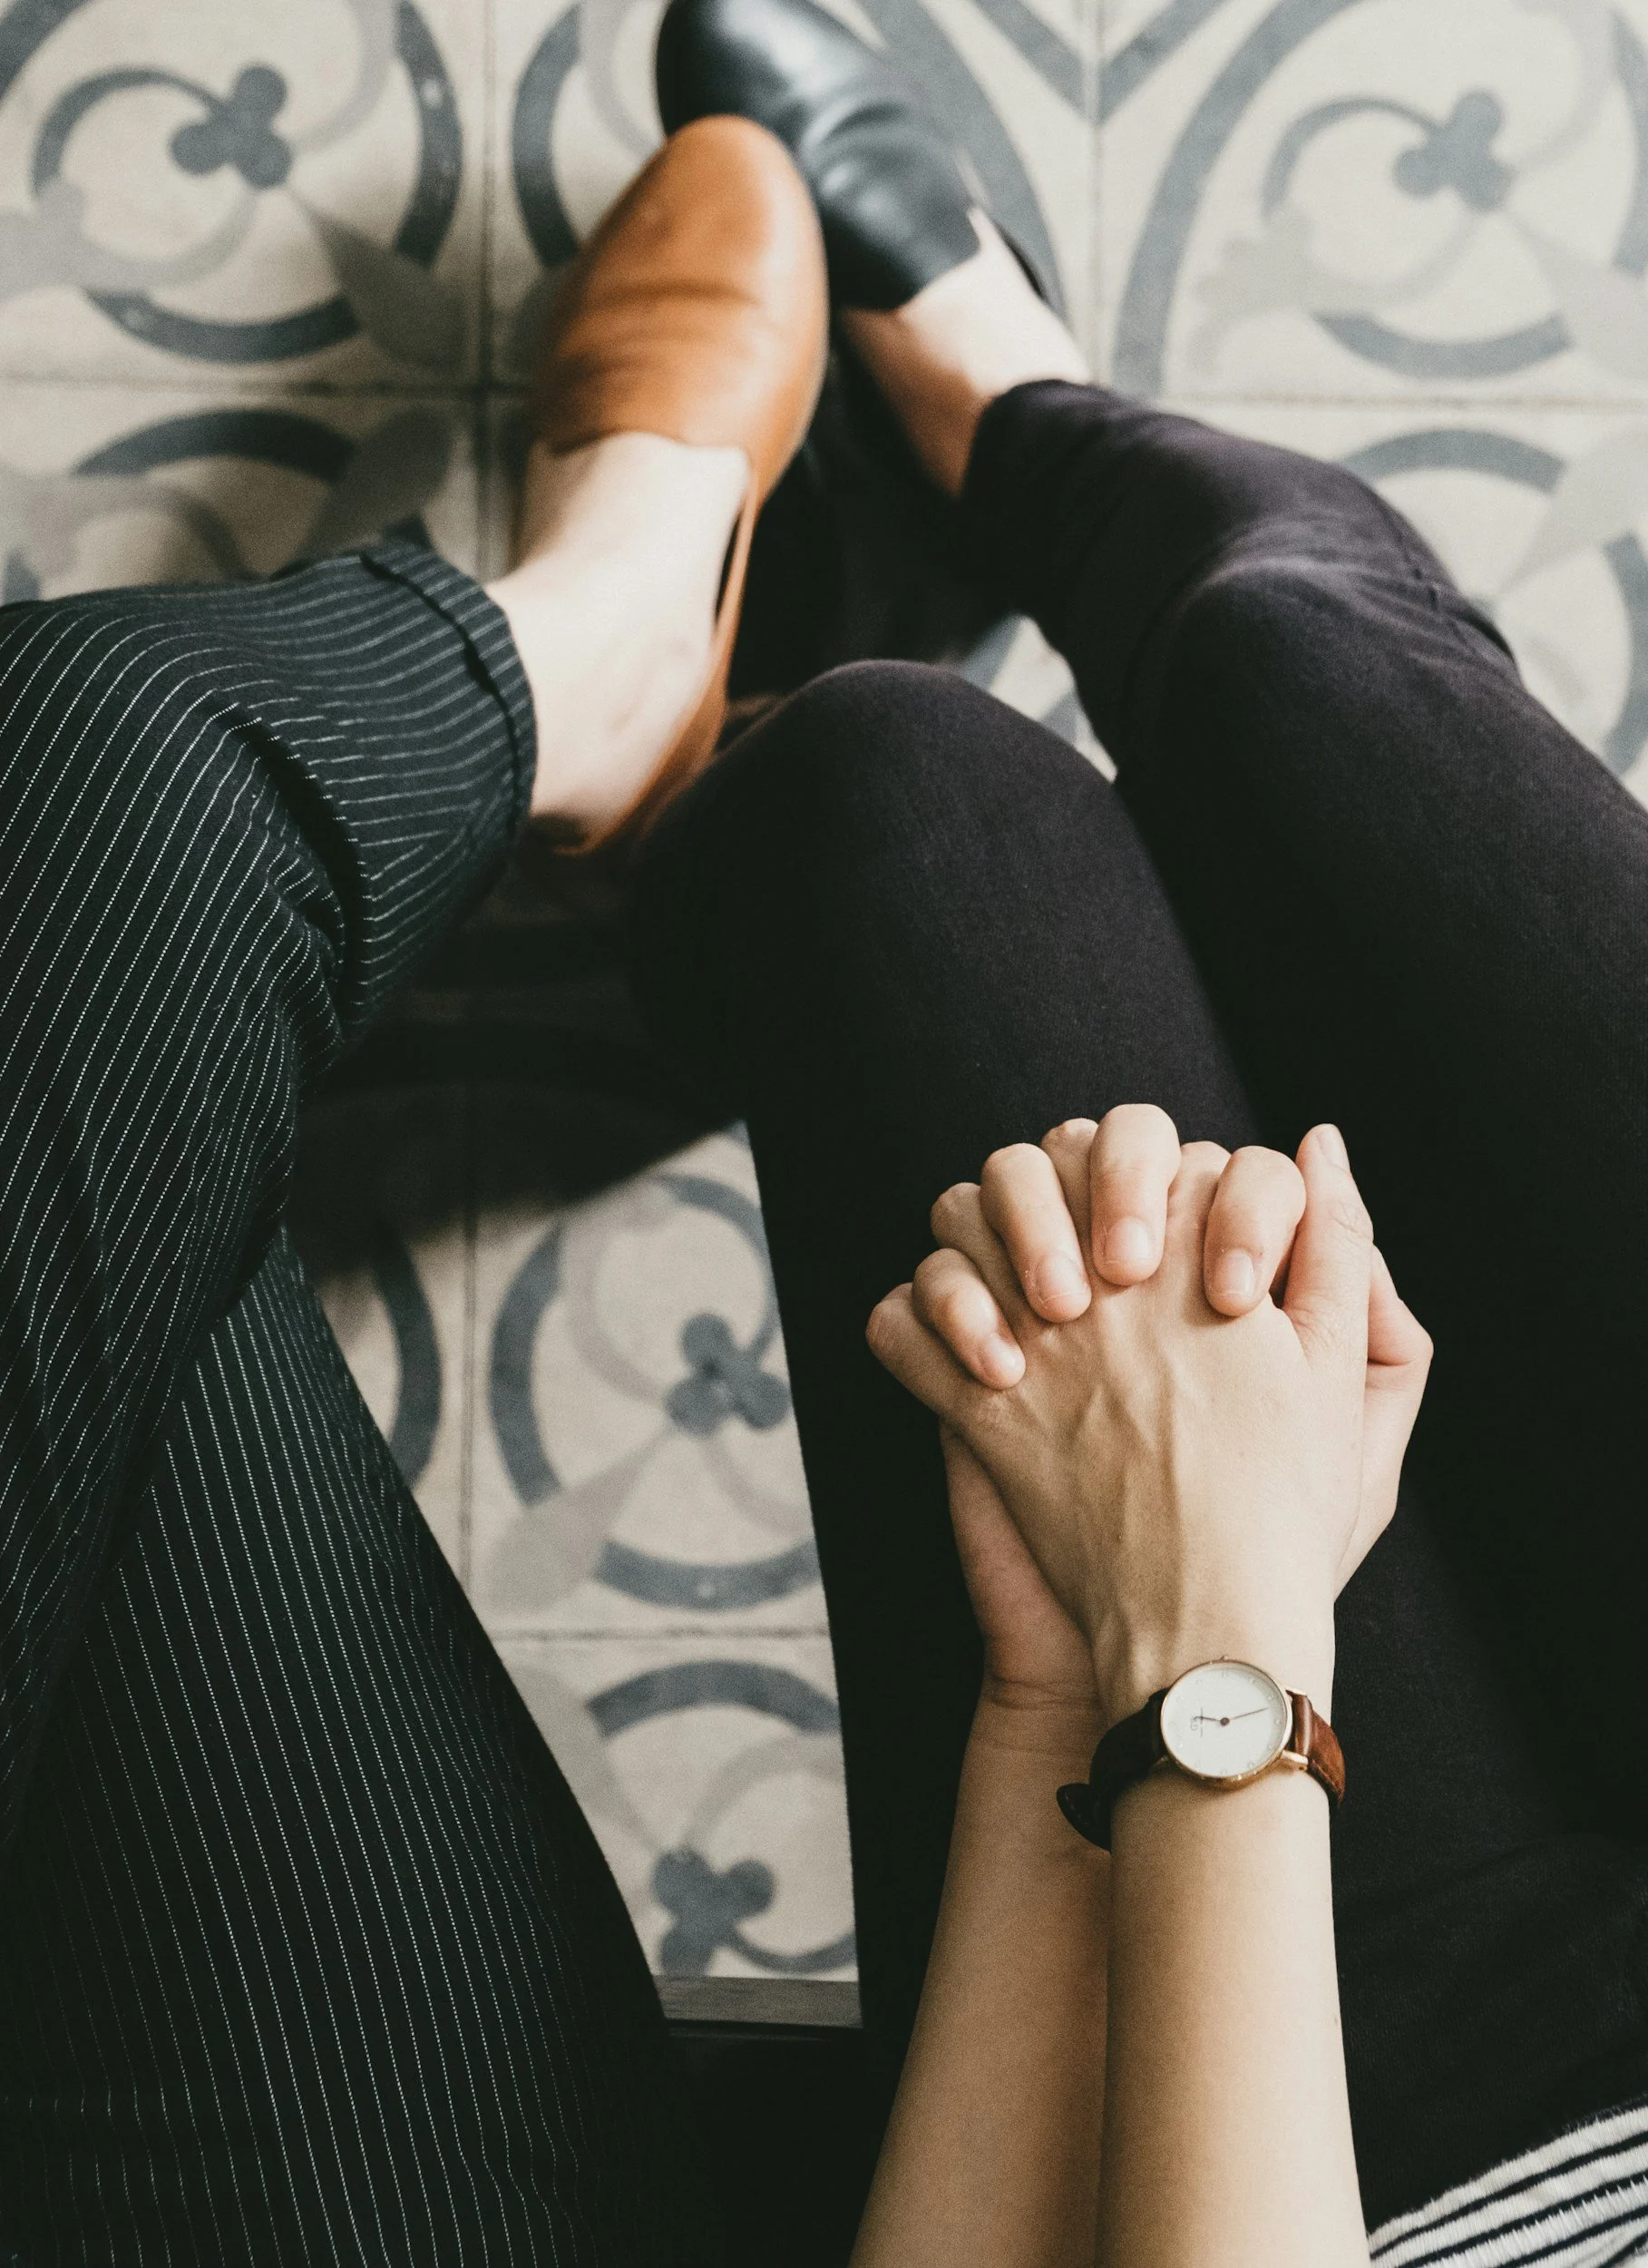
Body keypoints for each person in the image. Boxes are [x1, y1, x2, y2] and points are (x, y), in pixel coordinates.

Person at [0, 4, 1645, 2262]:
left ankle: (621, 645)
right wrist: (1120, 1664)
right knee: (1303, 675)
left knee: (886, 802)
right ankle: (1017, 424)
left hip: (1413, 2163)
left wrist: (1161, 1664)